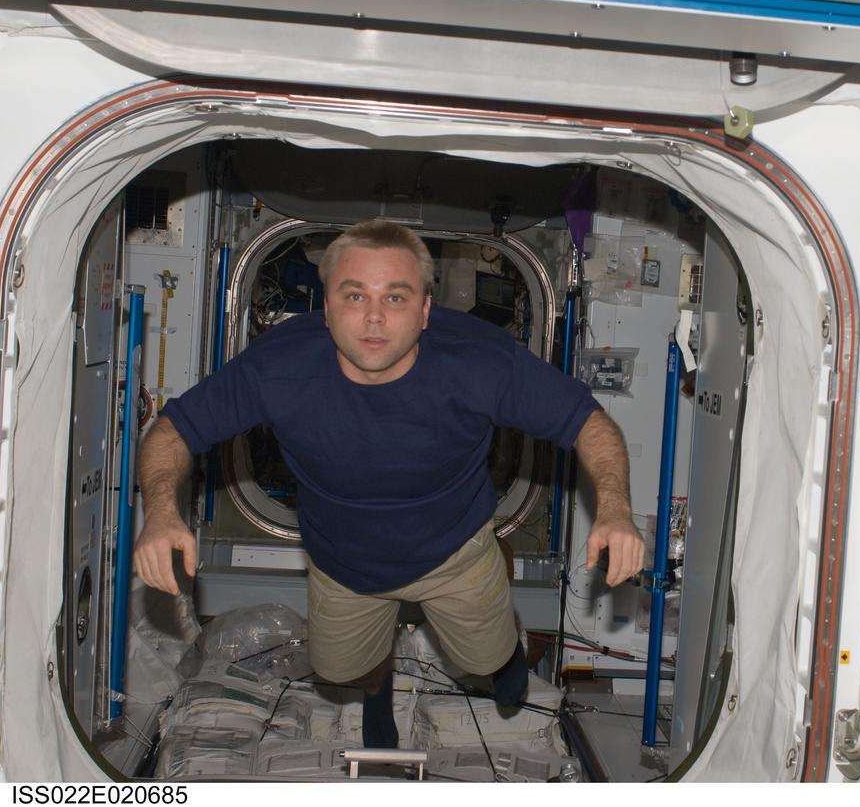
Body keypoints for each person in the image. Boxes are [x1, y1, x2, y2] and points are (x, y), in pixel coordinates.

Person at [134, 220, 645, 749]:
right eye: (354, 296)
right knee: (341, 674)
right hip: (343, 561)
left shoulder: (479, 362)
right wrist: (163, 514)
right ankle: (379, 691)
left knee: (484, 661)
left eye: (395, 298)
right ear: (326, 307)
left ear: (425, 310)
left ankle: (504, 645)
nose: (374, 317)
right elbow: (172, 430)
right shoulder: (277, 368)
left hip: (454, 548)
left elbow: (590, 424)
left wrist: (614, 510)